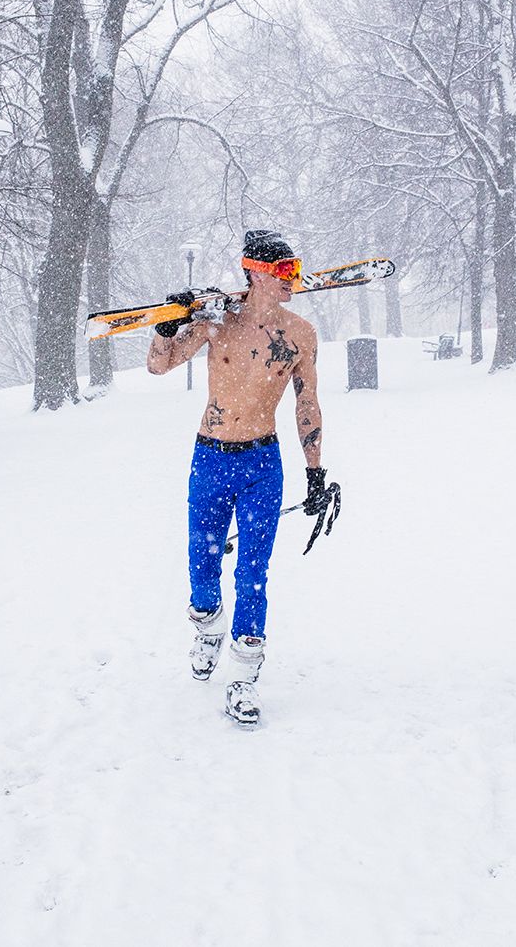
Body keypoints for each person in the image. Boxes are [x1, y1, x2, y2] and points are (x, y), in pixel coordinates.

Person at [147, 230, 332, 726]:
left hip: (262, 464)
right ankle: (207, 627)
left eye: (295, 272)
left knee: (253, 572)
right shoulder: (215, 325)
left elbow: (307, 402)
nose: (294, 282)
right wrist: (168, 325)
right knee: (201, 567)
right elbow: (157, 366)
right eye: (284, 273)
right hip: (210, 458)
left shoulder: (300, 334)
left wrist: (316, 473)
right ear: (255, 273)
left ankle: (244, 679)